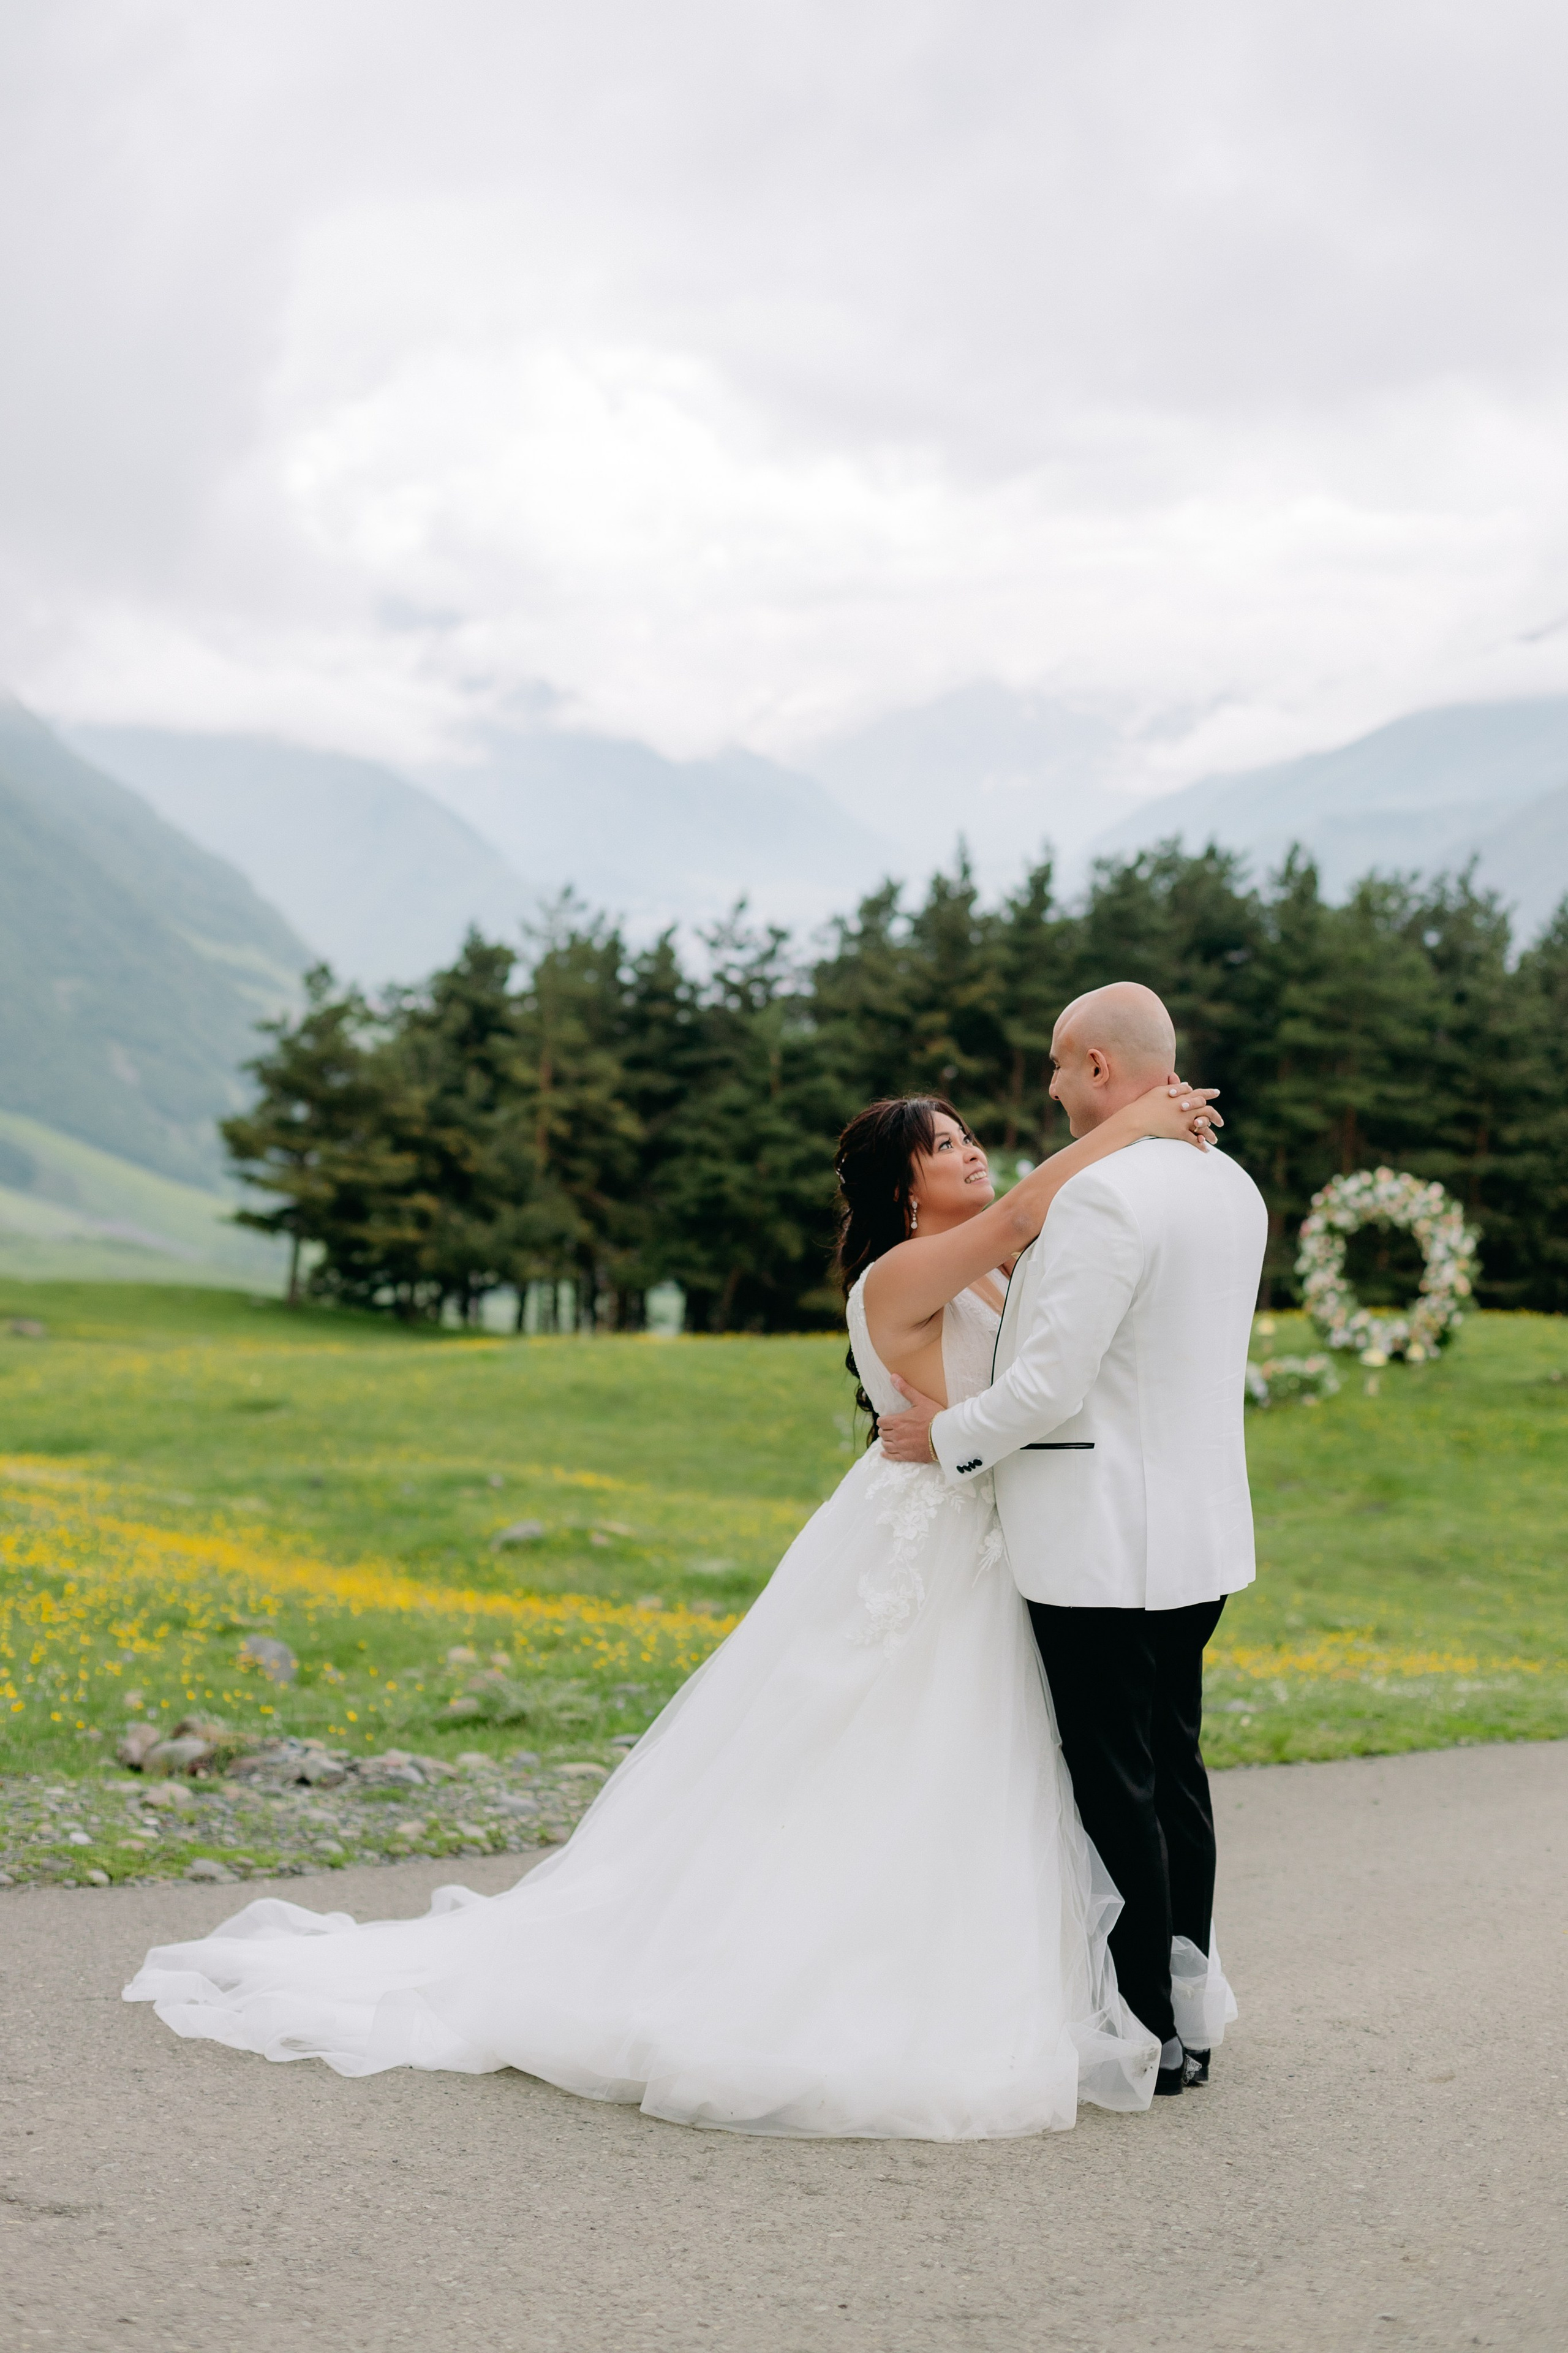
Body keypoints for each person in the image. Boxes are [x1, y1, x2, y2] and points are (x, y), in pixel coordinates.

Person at [125, 1063, 1218, 2140]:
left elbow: (1065, 1241)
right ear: (901, 1190)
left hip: (989, 1531)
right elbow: (1037, 1201)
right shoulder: (901, 1276)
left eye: (967, 1131)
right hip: (921, 1540)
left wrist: (1151, 1144)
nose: (973, 1149)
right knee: (882, 1756)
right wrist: (1143, 1117)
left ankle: (1047, 1979)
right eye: (943, 1143)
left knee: (990, 1769)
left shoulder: (983, 1266)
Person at [880, 982, 1268, 2094]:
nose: (1047, 1089)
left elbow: (1050, 1385)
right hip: (1200, 1534)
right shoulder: (1231, 1185)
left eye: (1056, 1067)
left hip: (1102, 1543)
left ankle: (1145, 2031)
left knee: (1116, 1786)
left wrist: (944, 1435)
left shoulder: (1102, 1198)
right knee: (1176, 1772)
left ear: (1099, 1066)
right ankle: (1189, 2003)